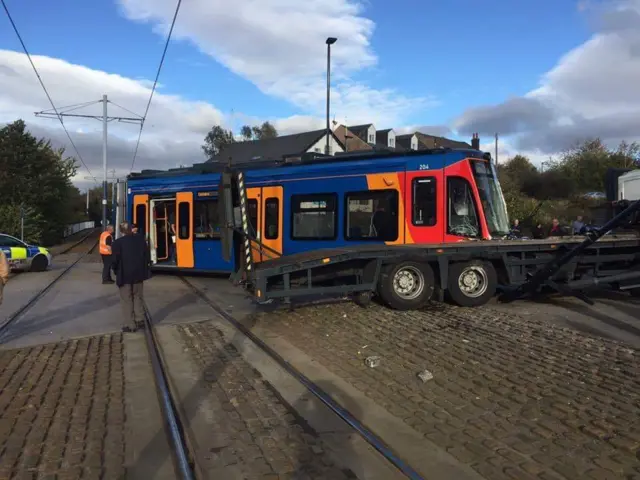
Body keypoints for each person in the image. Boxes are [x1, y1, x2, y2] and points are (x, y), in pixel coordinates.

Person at [111, 222, 151, 332]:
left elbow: (114, 261)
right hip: (139, 274)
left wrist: (115, 271)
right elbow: (147, 256)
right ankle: (140, 320)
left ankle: (130, 324)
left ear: (121, 231)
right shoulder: (140, 241)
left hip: (124, 275)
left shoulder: (117, 243)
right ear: (131, 229)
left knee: (126, 299)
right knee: (138, 297)